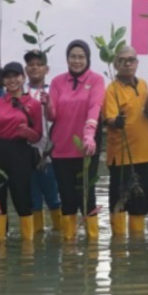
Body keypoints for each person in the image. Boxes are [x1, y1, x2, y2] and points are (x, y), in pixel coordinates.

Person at [44, 40, 104, 241]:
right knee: (67, 198)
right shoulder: (57, 82)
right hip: (61, 147)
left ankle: (93, 245)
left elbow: (94, 107)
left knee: (87, 197)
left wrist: (89, 134)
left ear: (87, 59)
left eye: (81, 57)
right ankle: (68, 245)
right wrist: (47, 104)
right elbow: (52, 116)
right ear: (67, 59)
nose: (77, 61)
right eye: (73, 56)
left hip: (86, 148)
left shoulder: (96, 80)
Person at [0, 61, 45, 245]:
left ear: (23, 77)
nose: (12, 80)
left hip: (21, 153)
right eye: (7, 76)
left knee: (22, 197)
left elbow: (38, 136)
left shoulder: (33, 104)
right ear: (3, 81)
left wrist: (29, 133)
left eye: (15, 75)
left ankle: (28, 244)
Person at [103, 44, 148, 237]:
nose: (127, 64)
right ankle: (118, 251)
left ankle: (138, 249)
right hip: (121, 156)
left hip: (144, 154)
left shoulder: (143, 85)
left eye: (131, 60)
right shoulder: (112, 89)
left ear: (137, 63)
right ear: (115, 64)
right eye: (122, 60)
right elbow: (108, 117)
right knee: (119, 201)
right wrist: (115, 121)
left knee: (141, 202)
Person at [23, 49, 60, 234]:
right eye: (31, 65)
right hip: (26, 152)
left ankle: (59, 233)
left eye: (39, 64)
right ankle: (36, 236)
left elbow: (56, 116)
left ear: (47, 69)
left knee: (53, 196)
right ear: (26, 69)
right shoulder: (21, 92)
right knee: (33, 198)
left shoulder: (53, 91)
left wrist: (49, 104)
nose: (35, 68)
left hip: (49, 152)